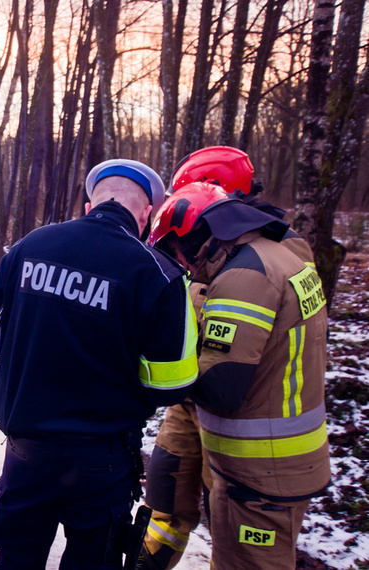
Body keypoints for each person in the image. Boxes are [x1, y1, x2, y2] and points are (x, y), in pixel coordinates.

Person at [0, 159, 199, 569]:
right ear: (147, 214)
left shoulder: (29, 246)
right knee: (92, 561)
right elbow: (174, 383)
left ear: (89, 205)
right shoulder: (161, 275)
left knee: (17, 556)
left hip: (27, 448)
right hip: (103, 460)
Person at [140, 147, 319, 570]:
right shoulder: (226, 255)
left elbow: (229, 378)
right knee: (164, 499)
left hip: (247, 429)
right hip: (194, 404)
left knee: (236, 540)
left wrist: (148, 375)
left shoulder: (258, 261)